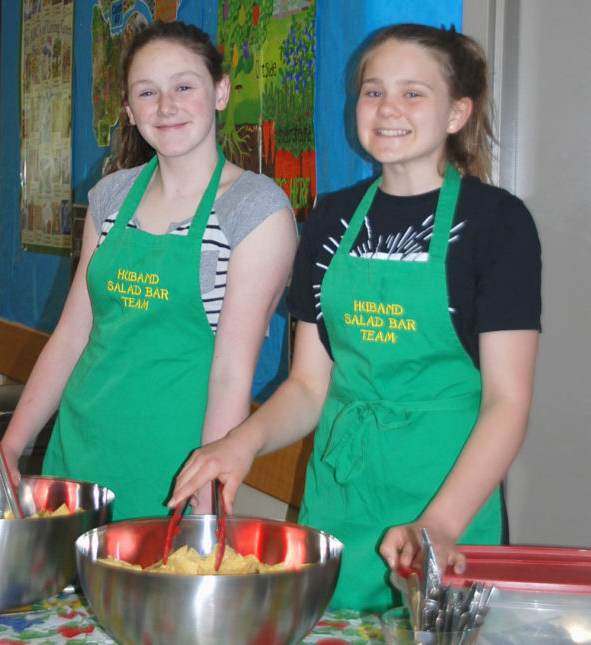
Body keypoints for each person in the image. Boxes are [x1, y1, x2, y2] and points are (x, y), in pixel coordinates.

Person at [169, 23, 541, 612]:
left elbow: (507, 402)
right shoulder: (330, 219)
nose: (388, 108)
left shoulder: (496, 223)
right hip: (341, 498)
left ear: (457, 113)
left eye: (413, 92)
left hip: (447, 502)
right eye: (374, 91)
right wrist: (241, 444)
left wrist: (440, 524)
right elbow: (308, 386)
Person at [0, 21, 297, 521]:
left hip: (175, 470)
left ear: (220, 91)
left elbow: (232, 372)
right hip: (79, 452)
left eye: (184, 87)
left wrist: (207, 500)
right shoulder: (111, 196)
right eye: (147, 92)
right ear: (128, 109)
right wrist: (9, 447)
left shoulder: (254, 209)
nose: (165, 106)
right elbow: (72, 336)